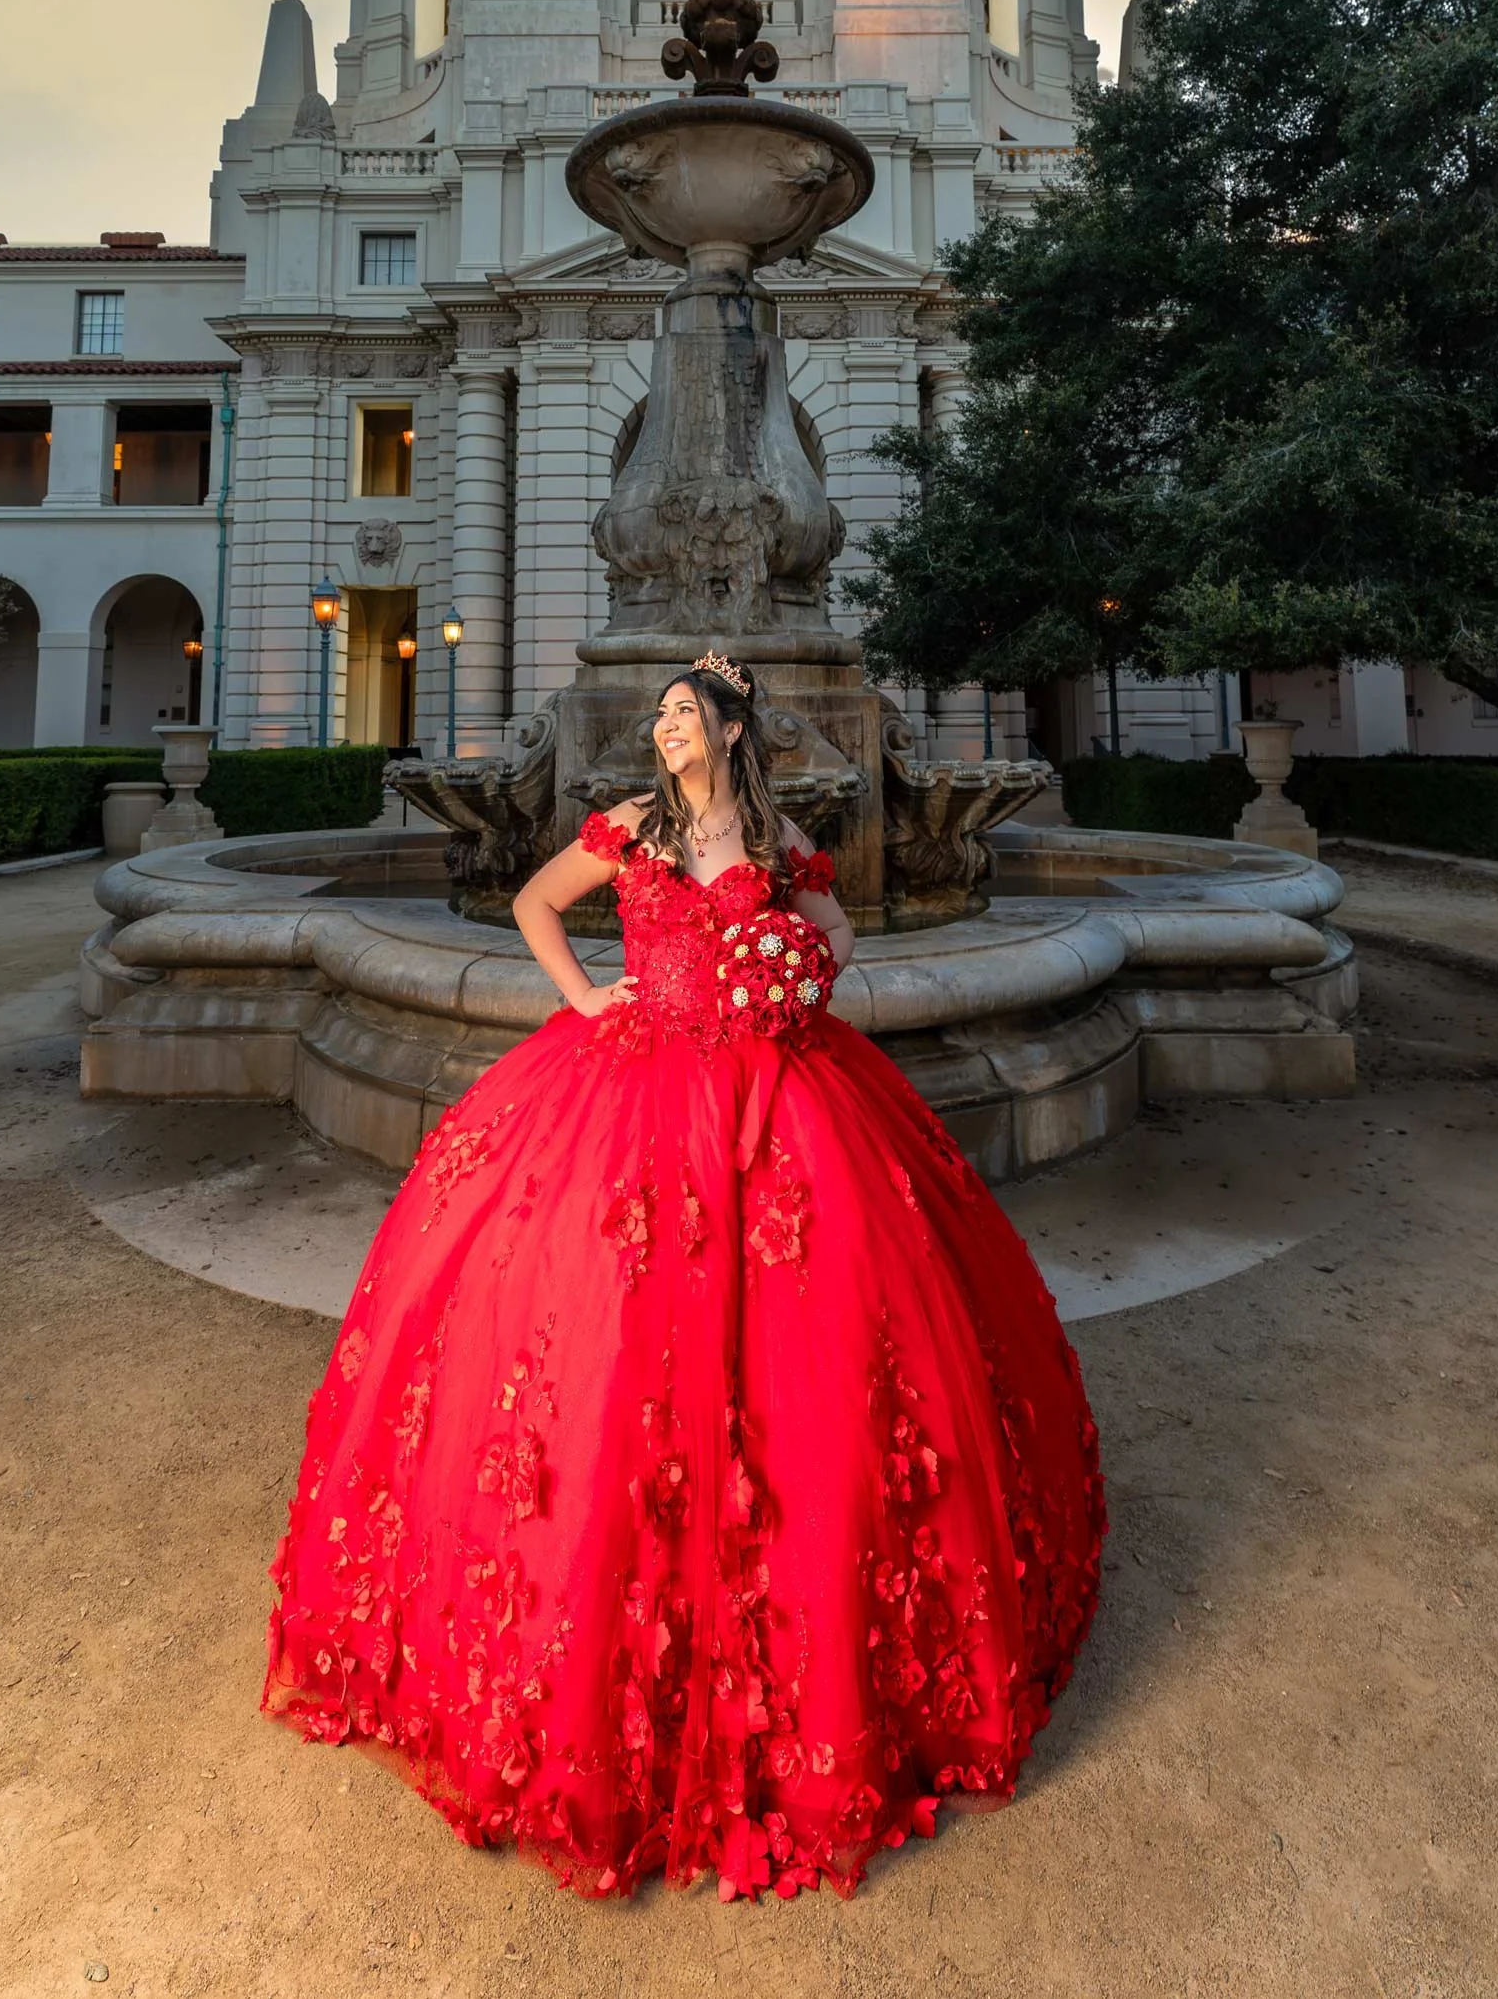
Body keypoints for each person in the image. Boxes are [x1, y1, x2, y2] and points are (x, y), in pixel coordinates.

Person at [263, 650, 1104, 1901]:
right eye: (657, 715)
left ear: (725, 728)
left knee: (813, 1349)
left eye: (679, 714)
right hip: (638, 1085)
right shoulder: (625, 828)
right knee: (602, 1351)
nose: (663, 730)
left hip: (777, 1086)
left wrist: (795, 977)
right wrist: (586, 1001)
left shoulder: (771, 837)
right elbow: (534, 907)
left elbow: (834, 928)